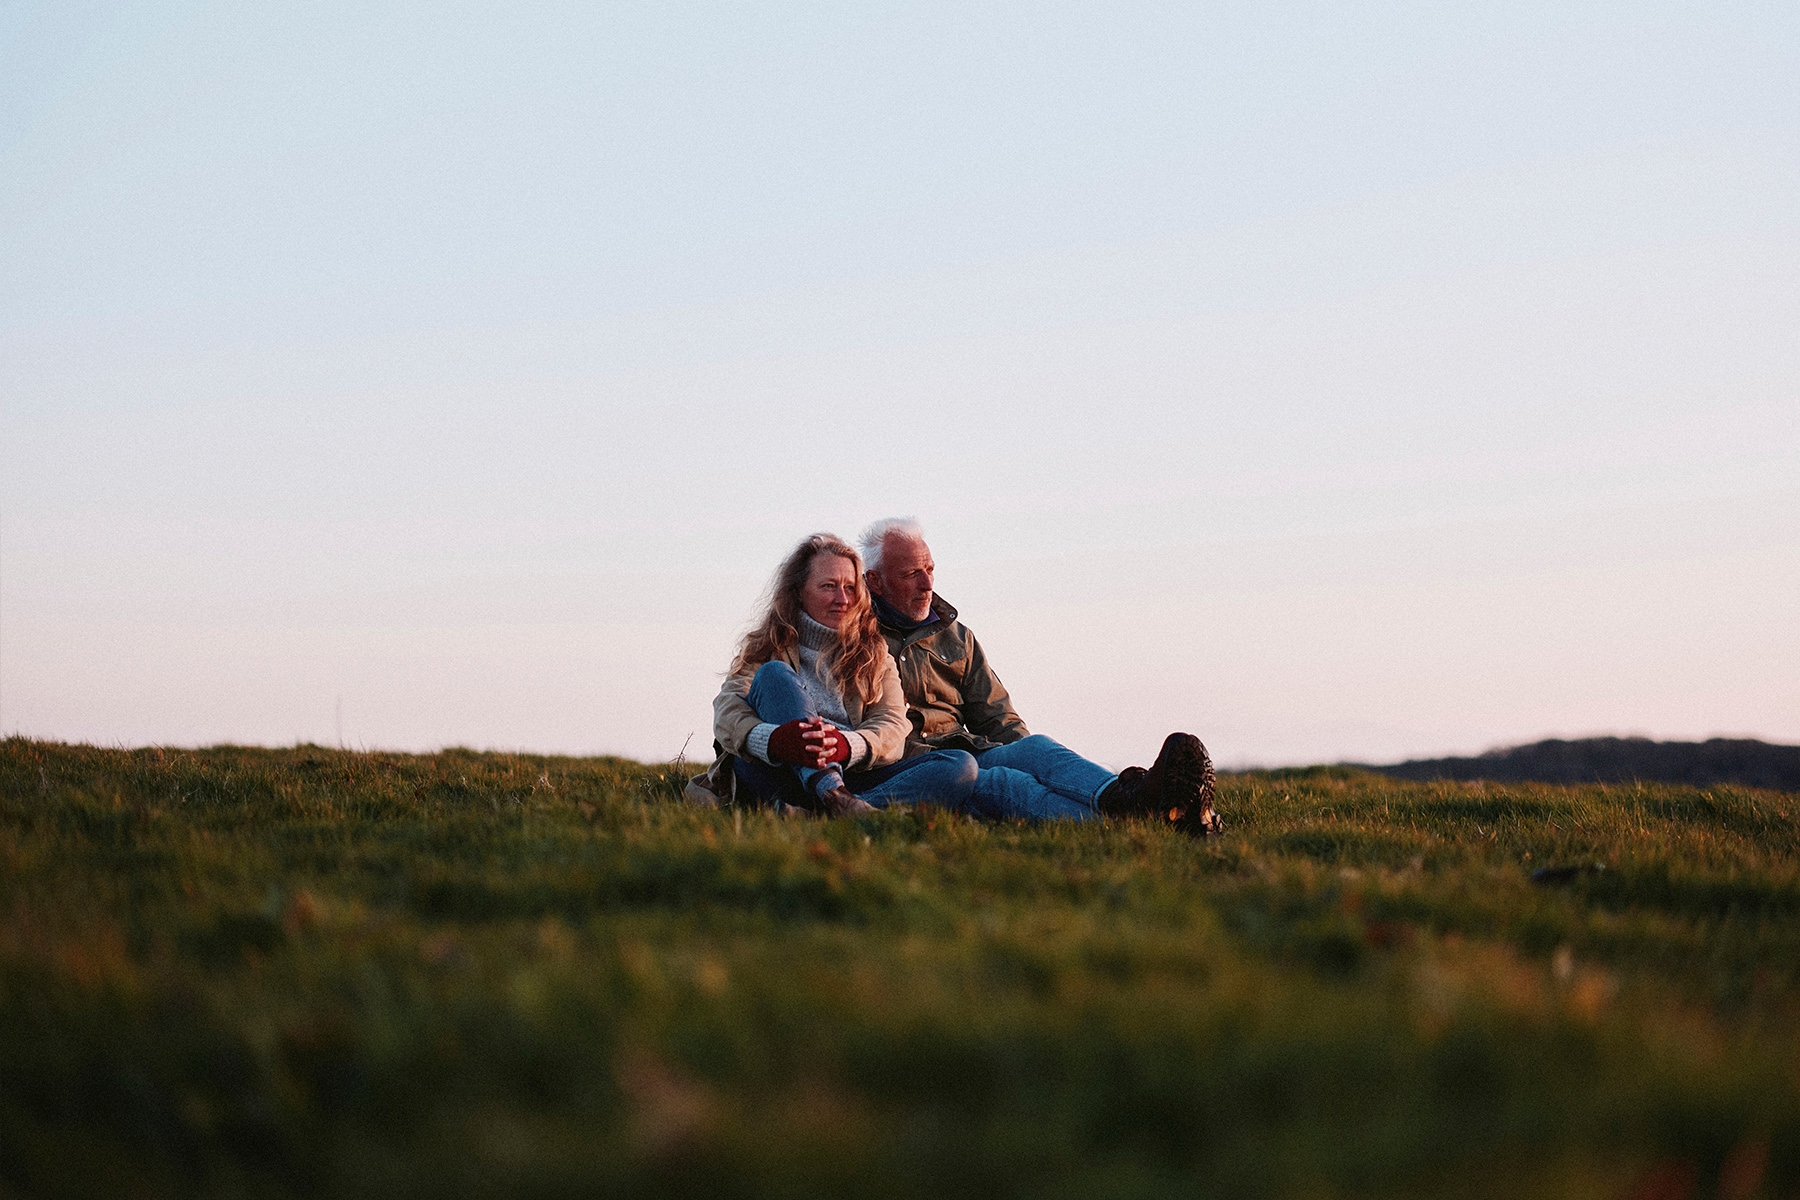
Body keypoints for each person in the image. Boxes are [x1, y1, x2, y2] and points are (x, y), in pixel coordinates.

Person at [857, 517, 1223, 835]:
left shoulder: (958, 636)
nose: (927, 584)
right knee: (1005, 783)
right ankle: (1155, 820)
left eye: (930, 570)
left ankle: (1130, 797)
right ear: (874, 581)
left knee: (1035, 749)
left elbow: (998, 715)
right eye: (910, 574)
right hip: (919, 769)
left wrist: (1022, 756)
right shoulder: (855, 639)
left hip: (969, 752)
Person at [691, 532, 982, 816]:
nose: (842, 599)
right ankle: (839, 799)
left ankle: (828, 809)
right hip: (784, 771)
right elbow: (728, 711)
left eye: (850, 587)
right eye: (829, 586)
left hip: (854, 772)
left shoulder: (874, 652)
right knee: (773, 675)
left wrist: (844, 746)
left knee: (959, 765)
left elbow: (893, 723)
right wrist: (775, 740)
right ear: (799, 592)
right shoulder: (768, 645)